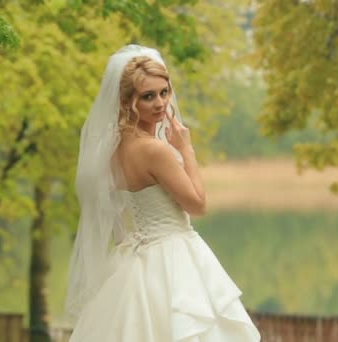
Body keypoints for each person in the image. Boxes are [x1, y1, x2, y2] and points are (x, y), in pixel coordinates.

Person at [65, 44, 261, 341]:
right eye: (148, 96)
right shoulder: (154, 149)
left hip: (134, 260)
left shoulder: (112, 150)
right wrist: (186, 148)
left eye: (164, 92)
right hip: (173, 254)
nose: (160, 103)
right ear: (125, 101)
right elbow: (197, 205)